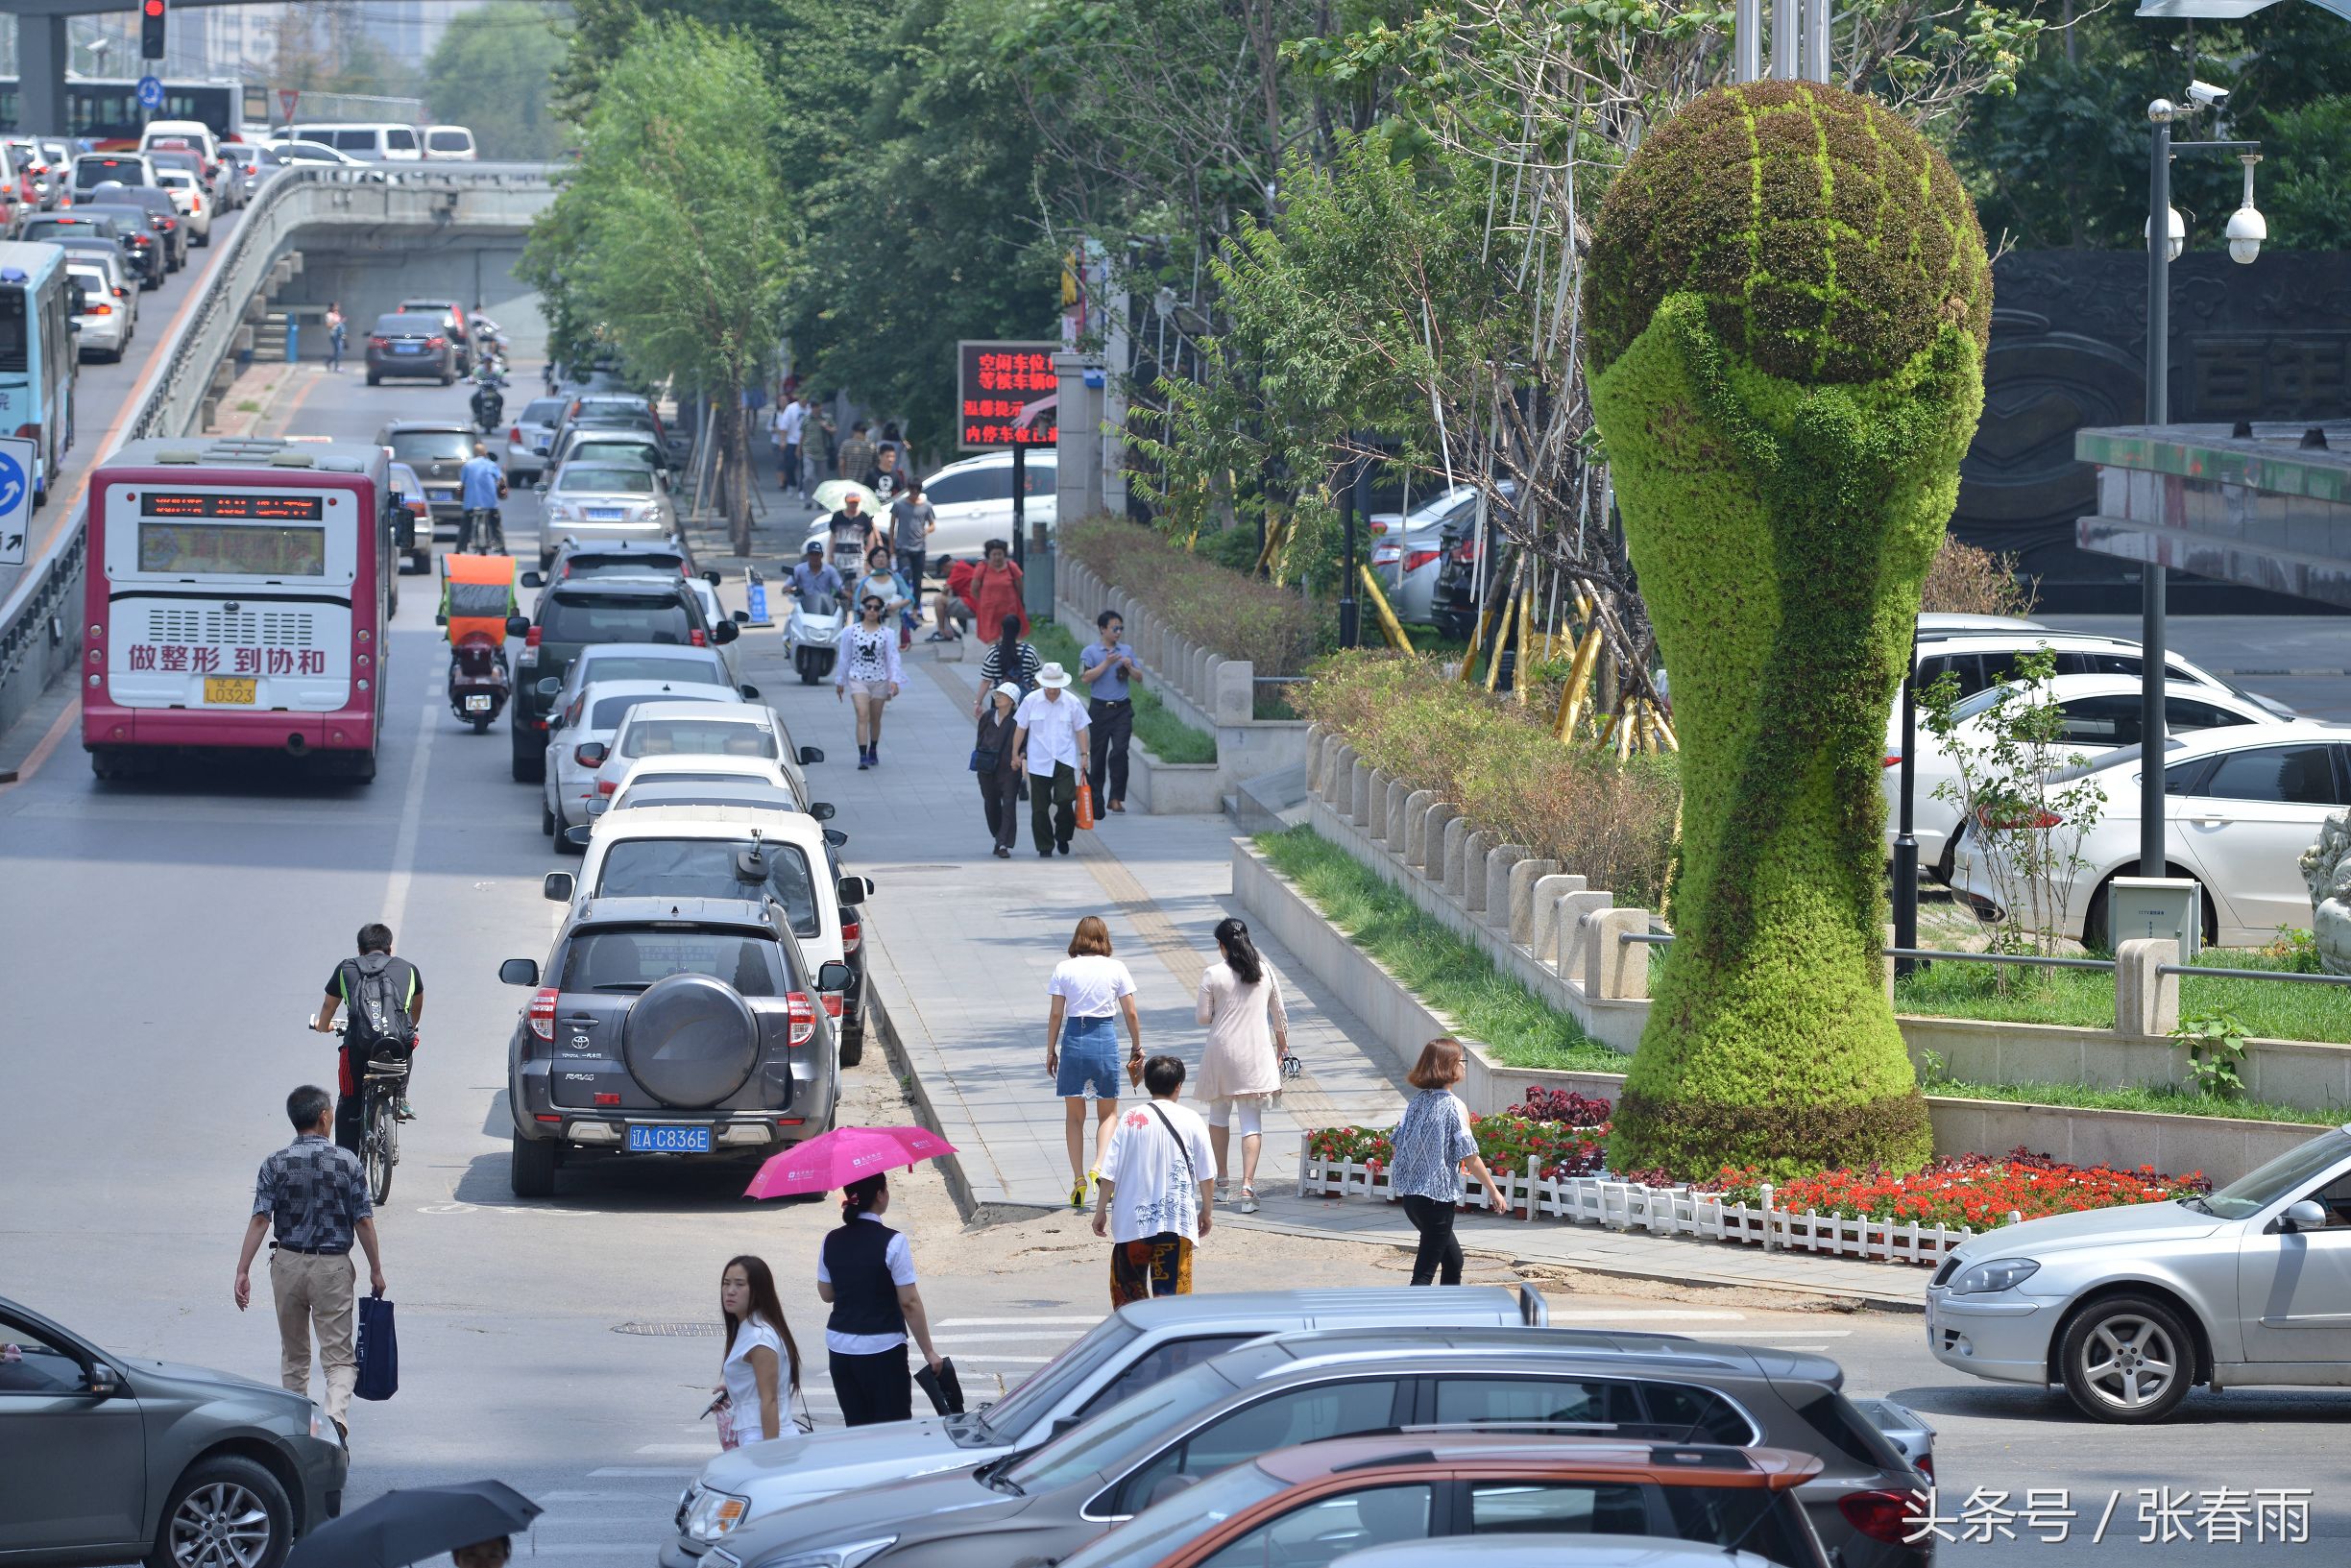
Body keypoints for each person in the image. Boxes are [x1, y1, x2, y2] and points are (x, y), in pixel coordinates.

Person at [232, 1084, 386, 1443]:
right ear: (323, 1117)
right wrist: (376, 1268)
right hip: (332, 1268)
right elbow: (363, 1220)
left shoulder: (274, 1163)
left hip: (286, 1264)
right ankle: (334, 1418)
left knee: (295, 1356)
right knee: (339, 1358)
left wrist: (242, 1269)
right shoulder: (347, 1162)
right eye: (331, 1111)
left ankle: (299, 1432)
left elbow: (260, 1220)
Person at [816, 1172, 944, 1427]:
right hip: (882, 1349)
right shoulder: (894, 1242)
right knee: (892, 1432)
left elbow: (826, 1294)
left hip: (840, 1349)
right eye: (886, 1189)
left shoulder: (831, 1239)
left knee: (857, 1429)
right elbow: (909, 1302)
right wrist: (929, 1351)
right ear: (880, 1195)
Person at [1092, 1054, 1217, 1306]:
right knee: (1172, 1304)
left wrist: (1100, 1210)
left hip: (1132, 1224)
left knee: (1129, 1300)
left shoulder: (1130, 1118)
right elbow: (1207, 1174)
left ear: (1148, 1083)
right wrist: (1206, 1210)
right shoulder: (1192, 1119)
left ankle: (1137, 1343)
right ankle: (1171, 1344)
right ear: (1178, 1085)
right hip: (1176, 1224)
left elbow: (1110, 1172)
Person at [1388, 1038, 1510, 1286]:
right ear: (1448, 1066)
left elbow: (1396, 1142)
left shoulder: (1416, 1102)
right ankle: (1414, 1320)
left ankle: (1446, 1314)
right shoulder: (1454, 1106)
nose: (1464, 1066)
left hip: (1413, 1199)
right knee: (1424, 1273)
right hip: (1437, 1200)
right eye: (1461, 1061)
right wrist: (1494, 1191)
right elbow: (1470, 1156)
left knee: (1453, 1261)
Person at [1046, 915, 1143, 1206]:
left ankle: (1077, 1179)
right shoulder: (1116, 968)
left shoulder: (1064, 969)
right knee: (1108, 1112)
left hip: (1075, 1036)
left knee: (1075, 1116)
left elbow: (1055, 1015)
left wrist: (1051, 1051)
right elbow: (1131, 1012)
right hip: (1104, 1037)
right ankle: (1099, 1165)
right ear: (1103, 938)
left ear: (1078, 938)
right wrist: (1137, 1046)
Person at [1194, 916, 1288, 1214]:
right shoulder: (1264, 970)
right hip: (1256, 1052)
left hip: (1221, 1053)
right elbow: (1279, 1014)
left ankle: (1222, 1183)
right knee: (1251, 1122)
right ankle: (1247, 1187)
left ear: (1221, 944)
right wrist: (1283, 1047)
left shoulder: (1212, 974)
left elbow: (1202, 1017)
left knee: (1218, 1117)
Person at [313, 923, 424, 1137]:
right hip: (396, 1047)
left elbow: (329, 1006)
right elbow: (416, 1010)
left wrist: (323, 1026)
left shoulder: (346, 968)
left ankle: (347, 1162)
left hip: (358, 1046)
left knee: (348, 1099)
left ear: (359, 950)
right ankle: (400, 1099)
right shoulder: (409, 969)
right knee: (408, 1040)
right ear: (390, 948)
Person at [715, 1255, 800, 1448]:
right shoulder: (749, 1327)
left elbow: (769, 1400)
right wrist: (733, 1389)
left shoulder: (759, 1337)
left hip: (763, 1438)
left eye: (740, 1284)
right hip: (755, 1435)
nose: (730, 1291)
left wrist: (768, 1453)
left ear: (758, 1291)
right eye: (726, 1284)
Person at [1014, 663, 1089, 856]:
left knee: (1065, 800)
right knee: (1039, 808)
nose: (1053, 690)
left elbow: (1081, 729)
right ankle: (1044, 846)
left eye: (1056, 685)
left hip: (1064, 758)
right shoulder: (1031, 700)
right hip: (1039, 761)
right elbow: (1020, 728)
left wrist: (1084, 755)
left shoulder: (1072, 702)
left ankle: (1063, 836)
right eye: (1049, 685)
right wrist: (1014, 753)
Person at [835, 591, 902, 769]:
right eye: (868, 607)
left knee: (875, 718)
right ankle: (862, 755)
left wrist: (895, 680)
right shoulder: (850, 631)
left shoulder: (887, 633)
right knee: (862, 714)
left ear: (880, 611)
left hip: (880, 680)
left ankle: (873, 749)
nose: (872, 610)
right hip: (858, 679)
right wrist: (840, 681)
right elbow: (844, 657)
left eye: (876, 608)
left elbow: (893, 657)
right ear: (862, 609)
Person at [1079, 610, 1138, 815]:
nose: (1118, 632)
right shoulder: (1090, 652)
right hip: (1099, 709)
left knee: (1120, 752)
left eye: (1121, 628)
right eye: (1115, 628)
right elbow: (1085, 677)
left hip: (1122, 708)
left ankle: (1116, 798)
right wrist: (1107, 663)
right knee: (1098, 754)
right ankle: (1096, 799)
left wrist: (1130, 667)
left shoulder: (1126, 650)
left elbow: (1139, 677)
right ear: (1103, 629)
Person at [976, 681, 1025, 858]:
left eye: (1002, 696)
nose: (997, 698)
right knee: (991, 804)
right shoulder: (987, 717)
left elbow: (1025, 744)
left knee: (1009, 804)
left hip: (1009, 769)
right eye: (996, 695)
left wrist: (1019, 758)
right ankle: (998, 836)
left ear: (1012, 701)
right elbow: (979, 739)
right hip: (987, 769)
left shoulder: (1018, 721)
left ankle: (1004, 843)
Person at [973, 613, 1041, 715]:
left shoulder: (994, 652)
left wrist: (978, 703)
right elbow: (1036, 680)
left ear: (1002, 630)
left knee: (1001, 730)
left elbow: (986, 681)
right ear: (1019, 630)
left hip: (1000, 702)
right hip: (1025, 702)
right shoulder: (1030, 651)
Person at [969, 538, 1027, 642]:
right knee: (992, 642)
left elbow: (1019, 588)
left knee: (1012, 640)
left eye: (999, 554)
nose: (997, 557)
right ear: (988, 555)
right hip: (989, 612)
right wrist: (984, 602)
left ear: (1004, 554)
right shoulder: (982, 568)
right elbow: (974, 590)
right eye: (994, 554)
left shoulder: (1012, 567)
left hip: (1010, 610)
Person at [457, 441, 507, 554]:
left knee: (465, 527)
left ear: (474, 453)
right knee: (496, 526)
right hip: (490, 504)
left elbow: (462, 484)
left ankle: (458, 549)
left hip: (471, 504)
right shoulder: (491, 465)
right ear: (485, 453)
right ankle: (503, 550)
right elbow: (501, 481)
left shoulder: (468, 466)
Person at [890, 481, 936, 592]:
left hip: (919, 547)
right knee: (904, 575)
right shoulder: (899, 504)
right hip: (903, 547)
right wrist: (891, 546)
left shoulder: (927, 506)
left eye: (917, 490)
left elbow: (932, 525)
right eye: (912, 490)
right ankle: (904, 602)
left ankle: (916, 607)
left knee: (917, 579)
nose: (914, 493)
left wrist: (926, 531)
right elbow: (892, 526)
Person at [825, 492, 876, 574]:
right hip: (840, 557)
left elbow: (870, 537)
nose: (853, 504)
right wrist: (830, 555)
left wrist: (869, 557)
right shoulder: (837, 516)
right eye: (851, 502)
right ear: (846, 501)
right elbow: (833, 536)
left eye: (855, 502)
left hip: (858, 558)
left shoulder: (864, 516)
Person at [789, 540, 844, 612]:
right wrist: (792, 590)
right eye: (812, 554)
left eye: (817, 554)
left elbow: (840, 587)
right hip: (804, 607)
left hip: (825, 606)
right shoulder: (799, 569)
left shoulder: (830, 570)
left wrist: (846, 593)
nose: (814, 557)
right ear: (807, 555)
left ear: (822, 555)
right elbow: (787, 586)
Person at [772, 394, 806, 495]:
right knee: (790, 465)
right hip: (792, 441)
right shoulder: (791, 408)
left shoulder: (810, 408)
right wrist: (783, 441)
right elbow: (784, 427)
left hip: (806, 442)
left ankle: (802, 488)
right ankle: (792, 483)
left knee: (806, 467)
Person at [836, 419, 878, 488]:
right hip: (866, 484)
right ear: (865, 431)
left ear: (853, 431)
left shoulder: (846, 444)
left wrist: (843, 479)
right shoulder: (872, 446)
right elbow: (875, 465)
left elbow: (841, 464)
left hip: (849, 483)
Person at [324, 302, 347, 372]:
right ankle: (336, 366)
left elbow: (341, 326)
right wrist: (336, 321)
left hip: (340, 335)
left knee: (339, 351)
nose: (337, 308)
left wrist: (345, 336)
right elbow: (329, 325)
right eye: (335, 306)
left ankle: (330, 362)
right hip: (334, 335)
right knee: (338, 351)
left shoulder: (337, 314)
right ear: (332, 307)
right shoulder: (329, 315)